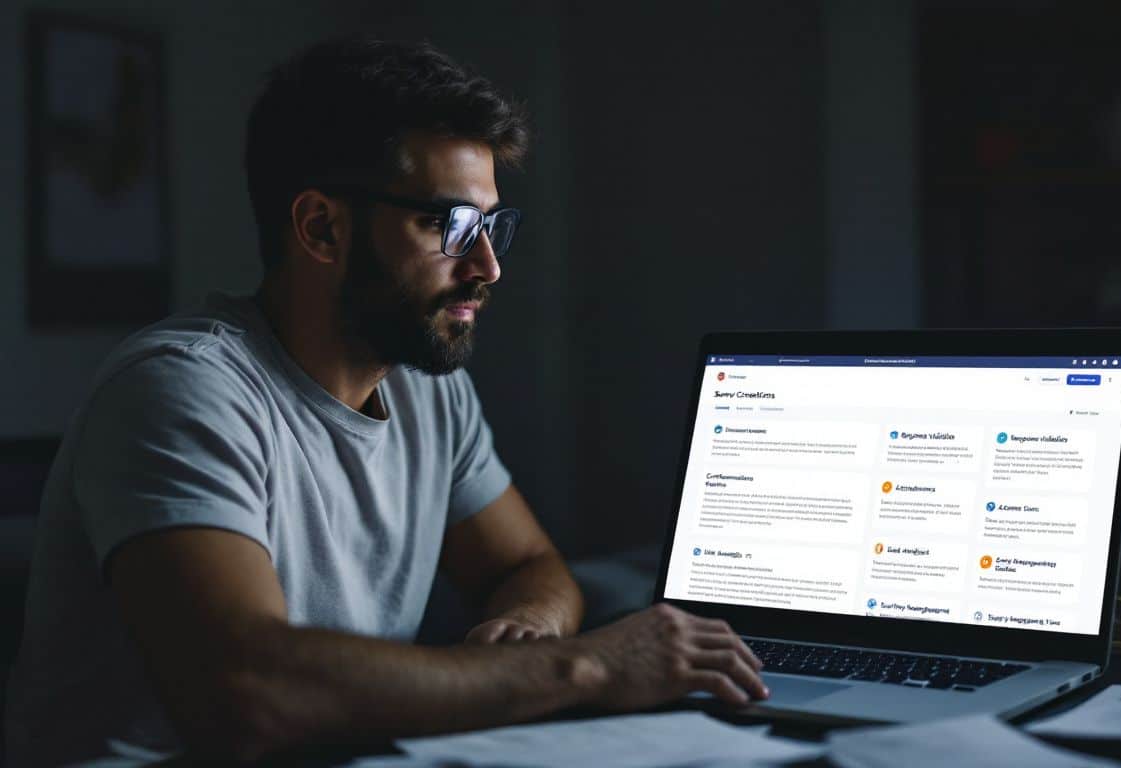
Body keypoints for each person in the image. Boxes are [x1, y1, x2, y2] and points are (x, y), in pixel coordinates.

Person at [4, 37, 767, 766]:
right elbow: (247, 693)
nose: (489, 266)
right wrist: (583, 668)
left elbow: (530, 563)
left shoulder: (431, 393)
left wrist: (529, 626)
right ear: (322, 227)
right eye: (454, 225)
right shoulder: (183, 389)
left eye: (494, 224)